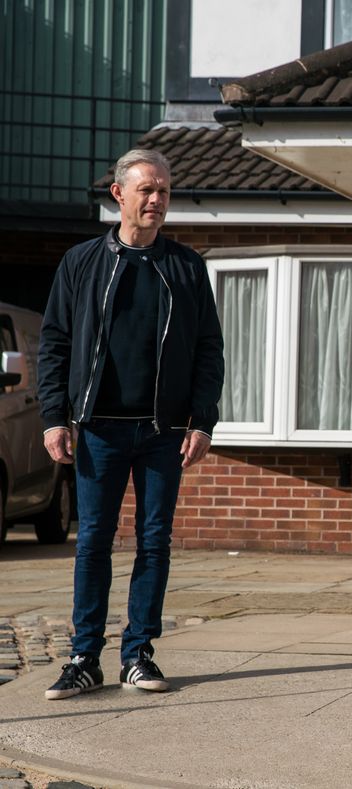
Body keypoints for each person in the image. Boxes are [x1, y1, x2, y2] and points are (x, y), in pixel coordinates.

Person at [38, 148, 224, 700]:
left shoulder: (186, 267)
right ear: (119, 194)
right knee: (93, 540)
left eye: (164, 190)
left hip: (163, 431)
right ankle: (84, 657)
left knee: (154, 541)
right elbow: (55, 343)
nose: (157, 200)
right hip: (98, 429)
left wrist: (203, 422)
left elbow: (209, 349)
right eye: (147, 189)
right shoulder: (81, 262)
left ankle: (138, 653)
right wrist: (54, 418)